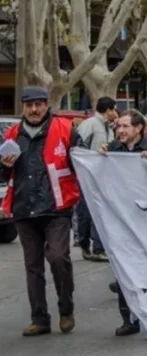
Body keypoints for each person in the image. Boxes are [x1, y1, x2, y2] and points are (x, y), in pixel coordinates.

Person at [0, 86, 83, 336]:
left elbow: (84, 162)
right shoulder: (12, 135)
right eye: (29, 105)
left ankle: (66, 308)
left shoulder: (66, 130)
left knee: (58, 257)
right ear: (23, 107)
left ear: (47, 105)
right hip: (24, 209)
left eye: (38, 104)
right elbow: (4, 174)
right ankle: (39, 318)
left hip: (56, 206)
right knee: (33, 266)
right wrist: (4, 166)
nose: (34, 109)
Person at [99, 109, 147, 337]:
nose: (120, 130)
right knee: (124, 268)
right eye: (118, 126)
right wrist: (99, 157)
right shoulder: (112, 150)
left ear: (138, 128)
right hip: (122, 218)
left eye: (125, 126)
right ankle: (129, 319)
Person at [75, 97, 118, 262]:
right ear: (108, 110)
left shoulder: (108, 127)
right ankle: (85, 244)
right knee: (85, 212)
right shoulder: (91, 124)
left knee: (99, 212)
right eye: (114, 109)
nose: (116, 113)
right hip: (87, 175)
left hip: (102, 176)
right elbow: (78, 145)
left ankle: (98, 248)